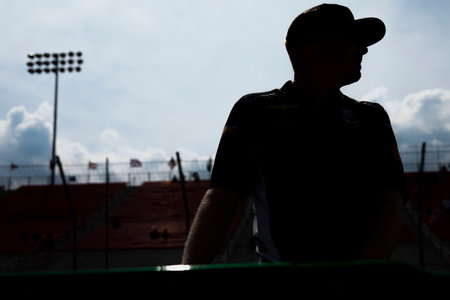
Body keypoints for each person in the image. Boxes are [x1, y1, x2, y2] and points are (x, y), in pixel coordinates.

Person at [182, 3, 406, 264]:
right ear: (314, 45)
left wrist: (357, 276)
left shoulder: (371, 117)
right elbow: (221, 199)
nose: (364, 49)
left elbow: (391, 202)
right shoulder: (255, 110)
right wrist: (189, 274)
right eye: (353, 40)